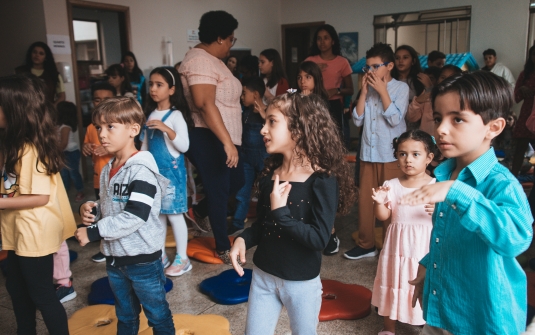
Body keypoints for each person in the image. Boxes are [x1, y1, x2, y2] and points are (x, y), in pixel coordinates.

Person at [403, 71, 533, 335]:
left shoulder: (501, 183)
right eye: (439, 118)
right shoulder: (443, 174)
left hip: (483, 318)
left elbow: (516, 238)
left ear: (493, 127)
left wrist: (458, 192)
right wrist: (430, 264)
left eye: (458, 119)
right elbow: (451, 235)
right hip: (442, 309)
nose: (440, 129)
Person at [230, 92, 356, 335]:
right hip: (264, 277)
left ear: (298, 130)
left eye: (272, 122)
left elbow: (320, 239)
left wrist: (282, 214)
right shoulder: (271, 174)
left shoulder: (321, 179)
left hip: (301, 285)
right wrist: (243, 238)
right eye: (264, 122)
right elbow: (263, 225)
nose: (263, 130)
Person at [75, 97, 175, 334]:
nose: (102, 134)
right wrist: (93, 208)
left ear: (133, 130)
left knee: (157, 316)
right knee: (125, 316)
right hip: (115, 259)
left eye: (110, 127)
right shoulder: (108, 168)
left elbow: (134, 216)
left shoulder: (141, 170)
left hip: (142, 260)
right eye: (99, 127)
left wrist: (93, 231)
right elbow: (111, 203)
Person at [0, 74, 76, 335]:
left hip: (34, 233)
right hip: (19, 231)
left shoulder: (31, 148)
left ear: (14, 110)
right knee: (17, 290)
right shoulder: (15, 144)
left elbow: (40, 197)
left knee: (42, 294)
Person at [178, 10, 244, 264]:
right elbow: (205, 104)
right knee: (219, 189)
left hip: (225, 135)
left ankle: (199, 211)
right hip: (207, 135)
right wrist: (227, 142)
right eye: (230, 39)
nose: (230, 45)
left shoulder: (213, 60)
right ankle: (222, 247)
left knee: (236, 180)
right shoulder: (199, 60)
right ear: (218, 38)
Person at [346, 43, 408, 260]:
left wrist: (382, 91)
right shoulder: (368, 88)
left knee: (391, 202)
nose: (370, 72)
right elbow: (357, 119)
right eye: (367, 68)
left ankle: (394, 247)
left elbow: (394, 119)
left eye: (375, 66)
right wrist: (363, 92)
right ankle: (366, 244)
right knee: (366, 200)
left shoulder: (401, 88)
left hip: (390, 155)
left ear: (389, 66)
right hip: (368, 155)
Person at [371, 130, 438, 335]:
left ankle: (420, 322)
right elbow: (383, 216)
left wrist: (438, 210)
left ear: (429, 158)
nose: (408, 160)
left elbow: (445, 222)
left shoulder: (436, 187)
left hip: (422, 250)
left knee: (423, 286)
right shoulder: (391, 185)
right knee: (393, 282)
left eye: (416, 154)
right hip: (396, 249)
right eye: (402, 154)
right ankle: (388, 328)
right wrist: (380, 203)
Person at [141, 67, 193, 276]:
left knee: (175, 215)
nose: (153, 89)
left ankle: (183, 258)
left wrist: (167, 129)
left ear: (172, 90)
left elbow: (184, 146)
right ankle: (160, 255)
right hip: (154, 174)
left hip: (172, 176)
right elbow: (145, 146)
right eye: (151, 84)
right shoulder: (150, 114)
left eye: (159, 85)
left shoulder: (176, 115)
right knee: (158, 215)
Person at [228, 77, 268, 235]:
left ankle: (266, 222)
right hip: (245, 157)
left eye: (244, 93)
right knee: (242, 192)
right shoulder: (245, 113)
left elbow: (277, 129)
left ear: (256, 94)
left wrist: (265, 115)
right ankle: (237, 222)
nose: (242, 97)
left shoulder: (270, 110)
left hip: (264, 157)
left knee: (266, 190)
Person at [82, 82, 116, 263]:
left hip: (116, 178)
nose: (101, 103)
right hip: (98, 178)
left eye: (107, 99)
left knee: (115, 212)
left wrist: (109, 150)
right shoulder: (90, 127)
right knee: (101, 211)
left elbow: (130, 149)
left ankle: (114, 247)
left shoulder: (119, 125)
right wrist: (86, 147)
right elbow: (88, 146)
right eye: (97, 100)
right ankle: (106, 248)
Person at [305, 24, 354, 136]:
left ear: (333, 41)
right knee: (313, 137)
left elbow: (350, 89)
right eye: (319, 38)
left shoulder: (342, 62)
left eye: (326, 38)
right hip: (312, 102)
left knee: (333, 138)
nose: (322, 42)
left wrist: (336, 90)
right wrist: (314, 69)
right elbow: (299, 83)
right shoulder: (310, 61)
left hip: (333, 105)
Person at [406, 66, 457, 136]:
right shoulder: (428, 96)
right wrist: (417, 101)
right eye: (443, 77)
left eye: (450, 78)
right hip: (427, 141)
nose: (446, 80)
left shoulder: (459, 100)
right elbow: (411, 118)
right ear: (438, 80)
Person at [15, 41, 66, 106]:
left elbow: (62, 96)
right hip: (26, 110)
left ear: (46, 57)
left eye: (41, 53)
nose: (37, 55)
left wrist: (53, 108)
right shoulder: (20, 72)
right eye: (34, 52)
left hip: (47, 111)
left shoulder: (53, 74)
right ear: (30, 54)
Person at [512, 45, 535, 176]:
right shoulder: (525, 74)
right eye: (533, 54)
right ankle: (513, 177)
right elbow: (516, 97)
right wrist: (522, 90)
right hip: (526, 114)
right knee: (520, 148)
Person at [56, 101, 85, 202]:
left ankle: (80, 191)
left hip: (70, 153)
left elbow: (63, 143)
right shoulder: (60, 126)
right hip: (64, 152)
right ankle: (65, 191)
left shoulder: (65, 127)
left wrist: (55, 152)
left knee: (73, 173)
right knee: (64, 174)